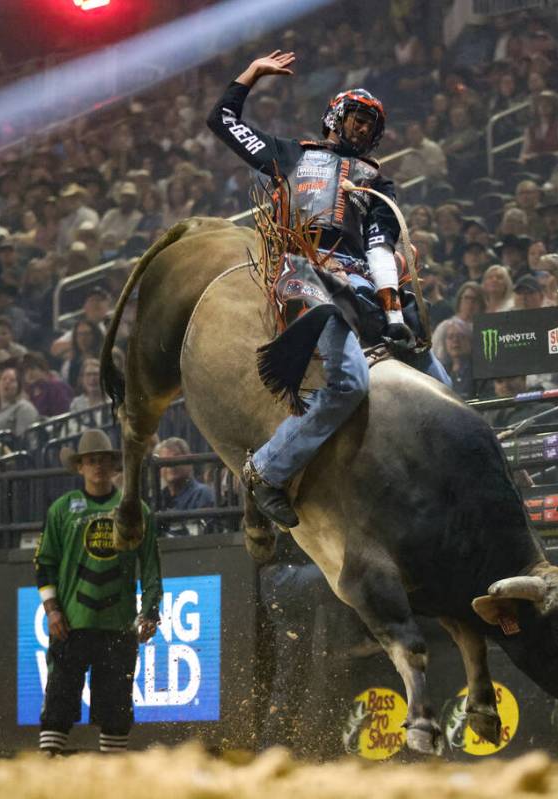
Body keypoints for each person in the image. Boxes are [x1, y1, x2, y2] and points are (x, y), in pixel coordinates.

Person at [207, 50, 449, 528]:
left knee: (427, 361)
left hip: (361, 279)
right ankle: (266, 472)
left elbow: (381, 248)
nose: (361, 131)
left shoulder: (377, 181)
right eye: (356, 119)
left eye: (369, 126)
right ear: (336, 118)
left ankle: (468, 443)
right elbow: (222, 120)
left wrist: (395, 314)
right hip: (304, 271)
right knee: (350, 383)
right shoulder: (289, 154)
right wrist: (250, 75)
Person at [34, 429, 162, 756]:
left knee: (115, 707)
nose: (98, 467)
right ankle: (49, 764)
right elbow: (44, 563)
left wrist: (149, 612)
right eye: (92, 461)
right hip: (72, 622)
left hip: (118, 625)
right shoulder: (61, 510)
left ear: (114, 465)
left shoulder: (135, 509)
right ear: (80, 467)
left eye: (104, 461)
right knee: (59, 700)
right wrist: (52, 610)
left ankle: (112, 778)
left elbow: (150, 566)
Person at [152, 437, 217, 536]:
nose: (170, 465)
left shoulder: (203, 494)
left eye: (175, 458)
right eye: (165, 461)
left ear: (189, 460)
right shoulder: (158, 499)